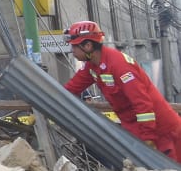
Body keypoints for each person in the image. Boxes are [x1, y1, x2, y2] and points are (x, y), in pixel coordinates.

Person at [62, 19, 181, 160]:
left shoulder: (119, 65)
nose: (72, 51)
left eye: (74, 47)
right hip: (136, 133)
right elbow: (70, 89)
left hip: (162, 134)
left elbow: (142, 104)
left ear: (87, 46)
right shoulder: (93, 66)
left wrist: (148, 139)